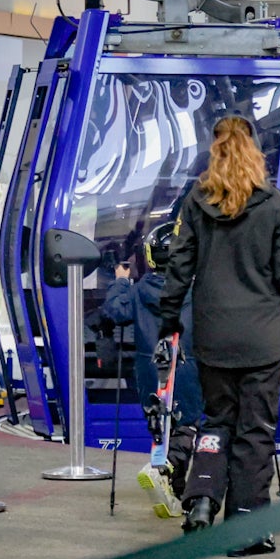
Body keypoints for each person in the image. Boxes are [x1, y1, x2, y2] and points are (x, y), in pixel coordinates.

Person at [157, 115, 280, 555]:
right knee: (255, 431)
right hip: (261, 339)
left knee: (217, 422)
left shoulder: (195, 203)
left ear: (213, 152)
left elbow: (177, 271)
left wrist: (170, 324)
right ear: (257, 153)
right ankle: (246, 529)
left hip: (213, 336)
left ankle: (201, 502)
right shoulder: (279, 206)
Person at [102, 221, 203, 519]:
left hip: (148, 370)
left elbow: (115, 311)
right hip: (185, 367)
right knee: (187, 426)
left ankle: (174, 491)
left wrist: (121, 280)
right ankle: (165, 469)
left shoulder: (138, 290)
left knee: (160, 426)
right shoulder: (195, 290)